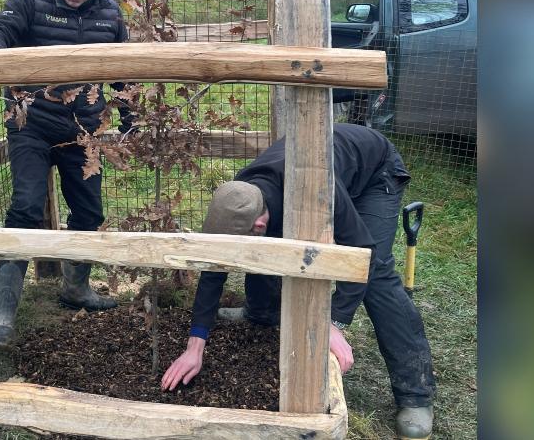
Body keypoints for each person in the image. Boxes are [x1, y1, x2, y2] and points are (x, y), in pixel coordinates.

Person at [160, 123, 436, 440]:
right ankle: (260, 315)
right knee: (264, 252)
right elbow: (215, 267)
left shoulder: (315, 187)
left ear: (260, 221)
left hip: (373, 172)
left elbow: (363, 252)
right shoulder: (240, 196)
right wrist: (195, 345)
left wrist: (332, 323)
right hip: (324, 167)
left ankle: (416, 394)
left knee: (376, 275)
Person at [0, 0, 132, 350]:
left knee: (89, 210)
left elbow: (124, 72)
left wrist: (130, 115)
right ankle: (2, 316)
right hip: (33, 126)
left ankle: (75, 289)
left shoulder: (109, 13)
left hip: (84, 132)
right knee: (25, 206)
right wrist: (0, 63)